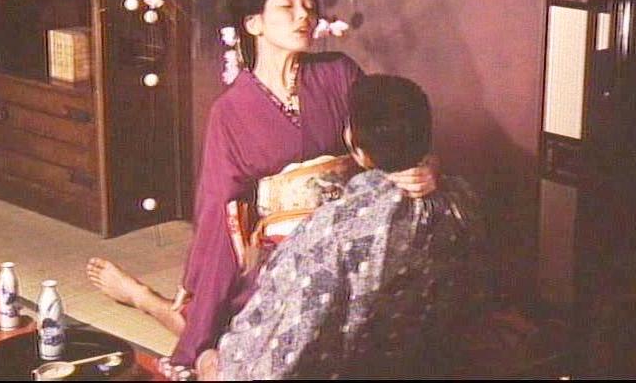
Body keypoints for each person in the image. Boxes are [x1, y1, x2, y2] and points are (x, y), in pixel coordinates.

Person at [86, 0, 438, 370]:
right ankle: (144, 297)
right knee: (225, 337)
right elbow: (220, 210)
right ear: (253, 23)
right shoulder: (230, 112)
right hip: (283, 256)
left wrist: (422, 166)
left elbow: (391, 130)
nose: (303, 15)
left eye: (308, 6)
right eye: (288, 6)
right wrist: (202, 293)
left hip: (351, 237)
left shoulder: (338, 72)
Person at [195, 75, 489, 380]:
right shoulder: (461, 200)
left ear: (358, 149)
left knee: (211, 360)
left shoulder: (335, 230)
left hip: (349, 369)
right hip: (429, 364)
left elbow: (283, 354)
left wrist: (217, 365)